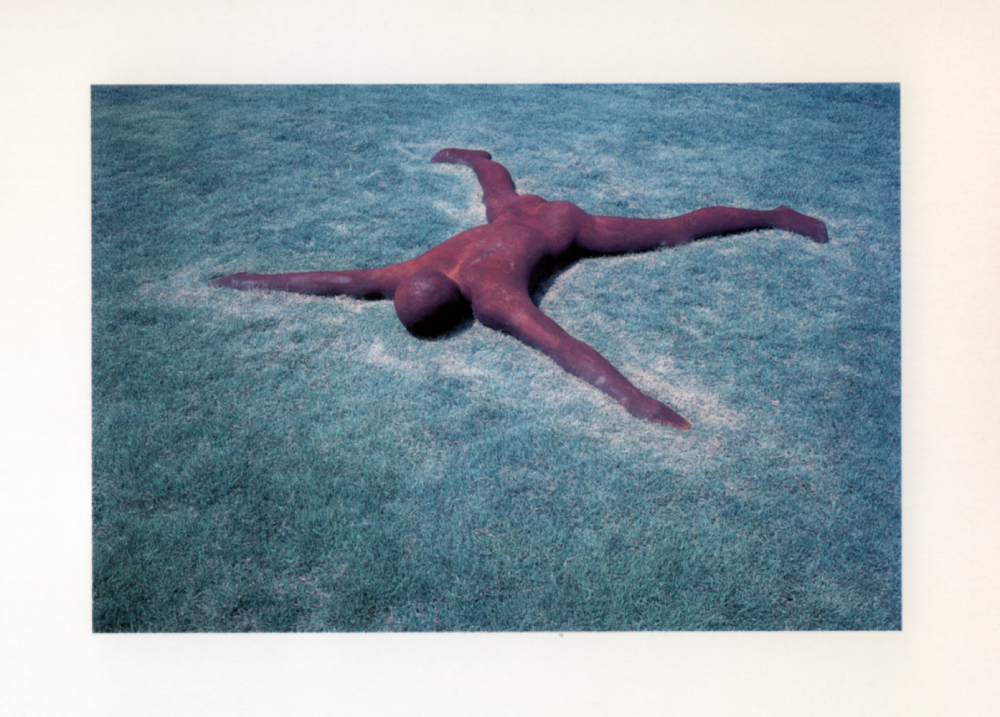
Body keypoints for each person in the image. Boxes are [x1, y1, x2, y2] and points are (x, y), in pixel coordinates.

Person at [213, 148, 828, 429]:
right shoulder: (420, 274)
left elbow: (563, 347)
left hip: (566, 225)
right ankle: (477, 157)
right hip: (536, 219)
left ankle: (772, 215)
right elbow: (341, 281)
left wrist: (636, 401)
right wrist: (248, 280)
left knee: (672, 230)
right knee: (497, 190)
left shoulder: (485, 295)